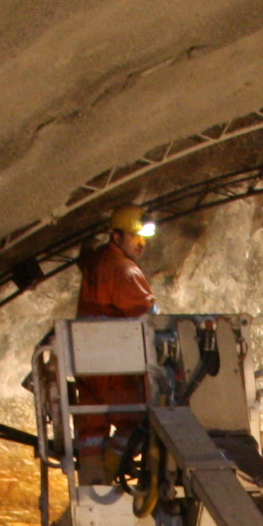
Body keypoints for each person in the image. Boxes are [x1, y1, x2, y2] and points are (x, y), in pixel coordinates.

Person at [71, 205, 156, 482]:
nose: (141, 244)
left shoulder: (98, 262)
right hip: (114, 365)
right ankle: (111, 471)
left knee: (91, 431)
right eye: (134, 237)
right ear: (116, 236)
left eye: (143, 237)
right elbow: (146, 314)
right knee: (143, 421)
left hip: (89, 365)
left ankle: (92, 482)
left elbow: (86, 261)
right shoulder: (124, 270)